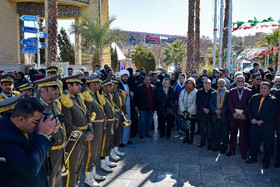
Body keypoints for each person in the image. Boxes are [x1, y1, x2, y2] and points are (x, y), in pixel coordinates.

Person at [0, 97, 60, 187]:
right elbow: (30, 168)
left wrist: (48, 134)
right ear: (21, 119)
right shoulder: (3, 137)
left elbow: (39, 150)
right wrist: (43, 135)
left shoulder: (27, 126)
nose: (38, 125)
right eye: (36, 121)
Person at [34, 75, 66, 187]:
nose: (58, 92)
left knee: (57, 180)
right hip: (48, 155)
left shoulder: (54, 103)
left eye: (57, 88)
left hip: (59, 151)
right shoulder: (36, 108)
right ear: (43, 90)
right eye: (54, 89)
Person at [61, 74, 92, 187]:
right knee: (71, 168)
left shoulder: (78, 97)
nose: (80, 86)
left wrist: (89, 129)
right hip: (73, 140)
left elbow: (86, 115)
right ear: (69, 86)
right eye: (77, 84)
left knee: (78, 166)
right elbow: (68, 124)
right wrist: (84, 136)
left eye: (80, 84)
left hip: (82, 136)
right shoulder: (65, 99)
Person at [246, 82, 278, 169]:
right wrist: (252, 118)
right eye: (262, 88)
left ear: (269, 90)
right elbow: (249, 108)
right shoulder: (255, 97)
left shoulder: (273, 100)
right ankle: (253, 158)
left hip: (267, 126)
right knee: (253, 142)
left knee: (267, 144)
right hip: (254, 124)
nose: (263, 90)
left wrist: (263, 120)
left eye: (265, 88)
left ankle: (266, 161)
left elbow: (273, 113)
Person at [82, 74, 106, 186]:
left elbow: (99, 109)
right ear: (92, 84)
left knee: (96, 152)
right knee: (90, 152)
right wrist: (89, 130)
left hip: (99, 126)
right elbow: (87, 115)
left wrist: (104, 117)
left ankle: (93, 172)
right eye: (98, 83)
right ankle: (87, 177)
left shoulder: (95, 94)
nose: (100, 84)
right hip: (93, 128)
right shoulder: (86, 95)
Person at [227, 75, 252, 159]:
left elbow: (249, 104)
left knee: (243, 135)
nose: (240, 83)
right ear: (236, 82)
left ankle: (243, 152)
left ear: (244, 83)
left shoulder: (249, 91)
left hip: (243, 117)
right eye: (239, 81)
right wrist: (233, 113)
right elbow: (229, 103)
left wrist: (244, 114)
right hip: (234, 117)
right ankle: (231, 150)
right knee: (233, 134)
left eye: (242, 81)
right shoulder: (231, 91)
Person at [100, 79, 119, 172]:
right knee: (104, 144)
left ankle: (107, 160)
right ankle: (103, 163)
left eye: (111, 86)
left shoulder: (110, 96)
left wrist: (116, 120)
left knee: (109, 143)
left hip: (111, 122)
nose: (112, 87)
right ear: (103, 87)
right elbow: (102, 111)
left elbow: (112, 109)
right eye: (109, 86)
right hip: (106, 124)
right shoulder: (101, 97)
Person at [209, 79, 229, 154]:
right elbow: (210, 103)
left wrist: (222, 111)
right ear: (217, 84)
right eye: (219, 83)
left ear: (225, 84)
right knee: (216, 132)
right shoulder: (213, 93)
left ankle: (224, 147)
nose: (221, 84)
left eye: (222, 83)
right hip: (215, 116)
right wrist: (215, 110)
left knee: (225, 133)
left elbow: (228, 104)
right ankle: (216, 145)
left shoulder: (228, 93)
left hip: (224, 116)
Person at [134, 75, 157, 139]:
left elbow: (155, 97)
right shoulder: (139, 87)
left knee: (149, 121)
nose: (147, 81)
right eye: (146, 80)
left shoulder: (153, 87)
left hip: (151, 108)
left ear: (150, 80)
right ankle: (142, 133)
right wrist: (136, 106)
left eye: (148, 80)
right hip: (142, 108)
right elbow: (136, 98)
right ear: (143, 80)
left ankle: (147, 132)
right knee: (142, 121)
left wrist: (155, 107)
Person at [196, 79, 215, 149]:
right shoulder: (199, 92)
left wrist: (209, 109)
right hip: (202, 113)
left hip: (210, 114)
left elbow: (214, 102)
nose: (207, 85)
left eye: (209, 83)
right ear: (203, 84)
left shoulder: (214, 92)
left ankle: (209, 144)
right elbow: (198, 101)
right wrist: (203, 108)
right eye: (206, 83)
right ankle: (202, 142)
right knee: (202, 130)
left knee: (210, 131)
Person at [111, 78, 127, 158]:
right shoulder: (107, 93)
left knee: (118, 134)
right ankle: (110, 152)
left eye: (113, 84)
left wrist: (125, 114)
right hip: (111, 115)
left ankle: (116, 150)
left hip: (119, 115)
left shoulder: (121, 93)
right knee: (111, 135)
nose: (111, 86)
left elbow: (123, 104)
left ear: (116, 85)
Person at [179, 77, 197, 144]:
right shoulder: (183, 91)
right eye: (188, 83)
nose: (189, 85)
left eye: (191, 83)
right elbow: (180, 101)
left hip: (192, 113)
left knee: (192, 127)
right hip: (184, 112)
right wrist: (183, 110)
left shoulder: (196, 92)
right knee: (185, 126)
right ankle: (186, 137)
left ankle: (191, 138)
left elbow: (194, 104)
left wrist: (188, 111)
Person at [118, 70, 132, 146]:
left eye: (126, 76)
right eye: (124, 77)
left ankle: (126, 140)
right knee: (122, 123)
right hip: (122, 107)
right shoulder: (119, 85)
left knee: (128, 122)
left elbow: (131, 91)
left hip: (128, 106)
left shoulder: (128, 84)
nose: (125, 78)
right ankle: (121, 141)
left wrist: (131, 93)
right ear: (121, 77)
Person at [174, 74, 187, 139]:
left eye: (182, 78)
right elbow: (175, 94)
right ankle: (179, 132)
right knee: (178, 119)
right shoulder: (177, 85)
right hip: (178, 106)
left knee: (183, 120)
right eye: (180, 78)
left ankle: (184, 133)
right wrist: (175, 100)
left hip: (184, 106)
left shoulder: (186, 86)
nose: (181, 80)